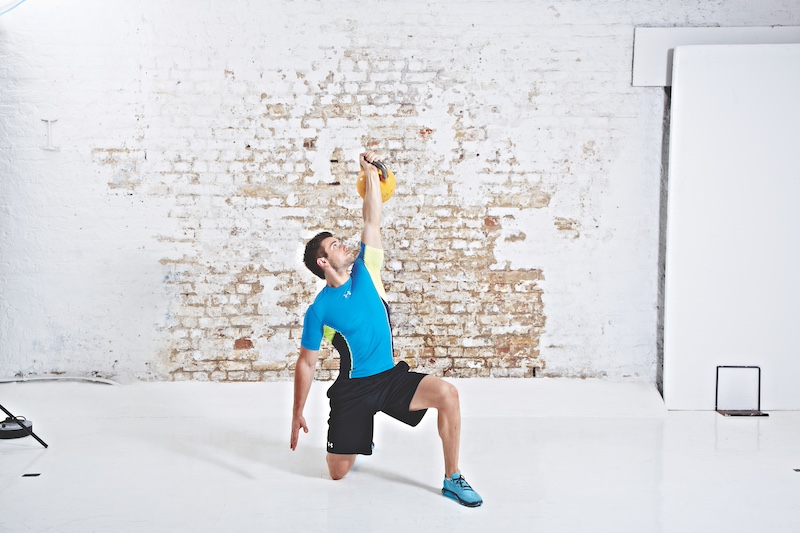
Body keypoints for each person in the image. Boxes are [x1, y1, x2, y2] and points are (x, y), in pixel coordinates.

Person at [290, 150, 483, 507]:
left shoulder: (367, 270)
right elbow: (306, 362)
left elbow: (372, 221)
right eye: (335, 245)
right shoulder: (319, 310)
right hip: (353, 392)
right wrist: (297, 411)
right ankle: (361, 434)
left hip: (391, 378)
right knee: (337, 472)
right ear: (323, 262)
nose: (343, 245)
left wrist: (371, 174)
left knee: (448, 394)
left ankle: (452, 477)